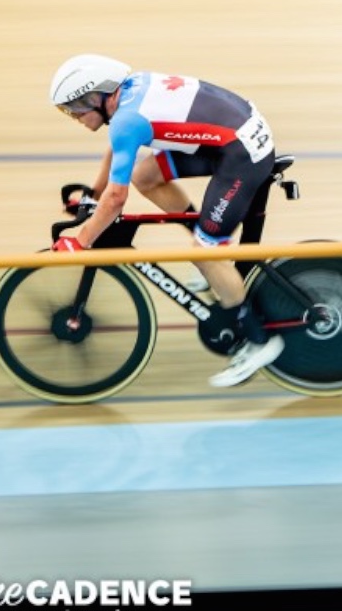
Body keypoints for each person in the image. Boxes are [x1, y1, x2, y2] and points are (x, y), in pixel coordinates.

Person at [47, 54, 284, 387]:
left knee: (203, 250)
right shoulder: (128, 95)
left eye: (74, 108)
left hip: (241, 155)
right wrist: (93, 193)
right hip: (232, 134)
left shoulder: (127, 119)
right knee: (146, 175)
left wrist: (80, 240)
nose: (73, 117)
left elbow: (116, 199)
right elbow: (118, 150)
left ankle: (258, 341)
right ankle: (209, 242)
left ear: (95, 97)